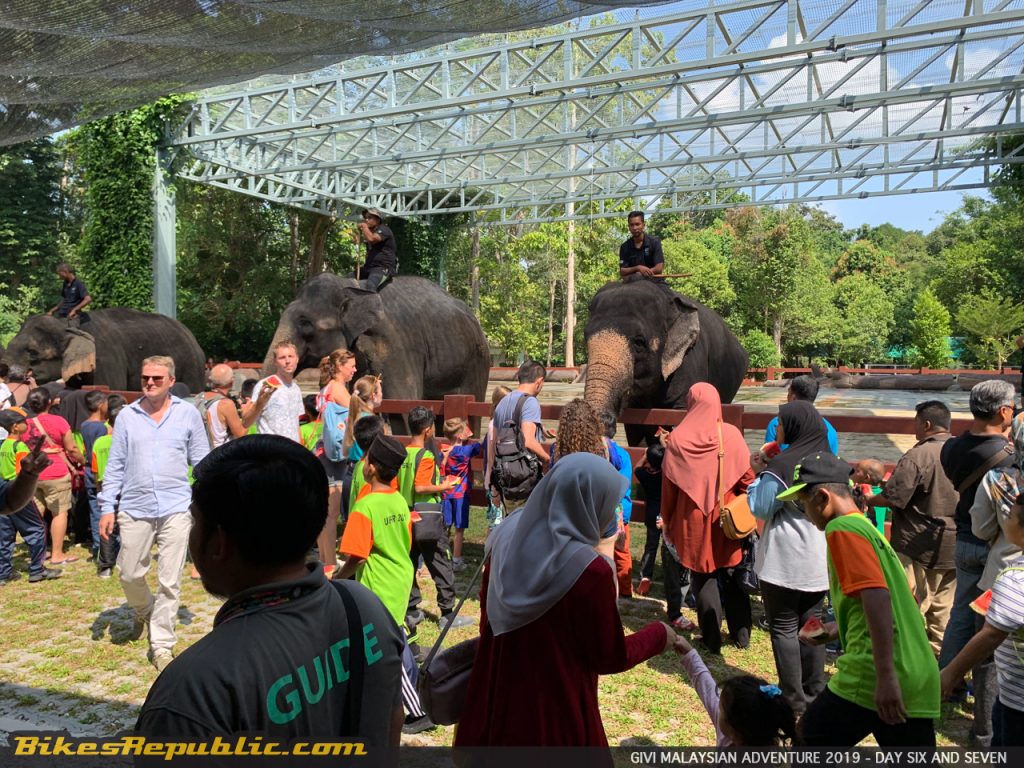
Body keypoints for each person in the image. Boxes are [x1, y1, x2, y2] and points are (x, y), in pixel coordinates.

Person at [136, 435, 405, 743]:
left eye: (195, 521)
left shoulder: (191, 693)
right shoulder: (364, 607)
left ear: (219, 543)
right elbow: (393, 720)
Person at [454, 453, 674, 746]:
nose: (611, 516)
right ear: (587, 504)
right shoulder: (589, 571)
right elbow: (609, 655)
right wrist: (659, 635)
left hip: (496, 695)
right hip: (554, 710)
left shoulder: (506, 536)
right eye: (608, 504)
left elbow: (487, 619)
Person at [787, 452, 939, 747]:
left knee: (808, 743)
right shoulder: (867, 527)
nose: (805, 511)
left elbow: (877, 596)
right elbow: (892, 598)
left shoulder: (841, 529)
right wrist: (833, 629)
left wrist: (885, 677)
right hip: (914, 671)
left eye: (803, 503)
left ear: (822, 498)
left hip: (872, 674)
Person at [98, 356, 210, 671]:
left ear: (171, 381)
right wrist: (107, 506)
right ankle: (144, 611)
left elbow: (202, 461)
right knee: (129, 573)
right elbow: (115, 464)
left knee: (169, 581)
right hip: (135, 506)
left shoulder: (187, 414)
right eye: (145, 377)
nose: (149, 383)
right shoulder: (127, 416)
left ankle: (161, 646)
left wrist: (208, 500)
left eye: (156, 378)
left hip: (176, 506)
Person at [939, 379, 1015, 746]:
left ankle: (946, 685)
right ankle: (985, 724)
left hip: (965, 539)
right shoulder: (1009, 455)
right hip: (1000, 547)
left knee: (959, 614)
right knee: (992, 633)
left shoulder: (951, 447)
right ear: (1004, 411)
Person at [747, 400, 831, 716]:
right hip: (819, 558)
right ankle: (815, 692)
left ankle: (793, 699)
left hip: (783, 561)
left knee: (783, 628)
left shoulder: (782, 466)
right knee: (813, 624)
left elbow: (761, 508)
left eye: (781, 423)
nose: (778, 428)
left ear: (795, 427)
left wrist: (760, 475)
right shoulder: (831, 462)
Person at [662, 383, 755, 653]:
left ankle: (711, 639)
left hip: (692, 520)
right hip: (726, 516)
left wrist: (667, 520)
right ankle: (741, 635)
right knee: (733, 573)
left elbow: (669, 488)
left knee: (703, 577)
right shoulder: (731, 434)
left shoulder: (678, 439)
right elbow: (748, 480)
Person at [867, 401, 957, 657]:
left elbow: (893, 497)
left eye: (916, 423)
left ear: (926, 424)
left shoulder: (918, 456)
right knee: (944, 611)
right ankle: (942, 665)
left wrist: (868, 499)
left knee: (909, 607)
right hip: (954, 543)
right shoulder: (963, 451)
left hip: (916, 545)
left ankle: (910, 662)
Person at [941, 495, 1024, 746]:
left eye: (1009, 515)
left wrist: (949, 674)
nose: (1005, 519)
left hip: (1017, 700)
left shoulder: (1014, 578)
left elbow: (990, 635)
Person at [400, 407, 467, 635]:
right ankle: (447, 614)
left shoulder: (404, 453)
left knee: (409, 563)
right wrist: (444, 485)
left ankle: (411, 609)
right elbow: (420, 486)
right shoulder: (426, 456)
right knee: (440, 561)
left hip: (407, 516)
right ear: (428, 430)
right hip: (427, 517)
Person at [673, 634, 796, 746]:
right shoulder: (739, 727)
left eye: (721, 710)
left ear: (734, 733)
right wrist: (690, 654)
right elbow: (708, 688)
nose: (717, 708)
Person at [23, 387, 83, 566]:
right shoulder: (59, 421)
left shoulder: (24, 424)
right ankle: (57, 553)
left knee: (35, 514)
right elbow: (71, 448)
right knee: (59, 512)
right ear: (49, 403)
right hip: (56, 471)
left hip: (33, 473)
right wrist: (82, 460)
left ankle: (38, 553)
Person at [0, 409, 59, 584]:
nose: (27, 424)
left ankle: (3, 573)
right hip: (18, 493)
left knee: (5, 535)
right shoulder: (20, 447)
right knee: (38, 528)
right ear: (15, 427)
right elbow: (23, 472)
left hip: (3, 491)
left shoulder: (2, 445)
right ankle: (37, 569)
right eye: (23, 422)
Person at [487, 360, 549, 512]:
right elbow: (528, 441)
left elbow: (493, 445)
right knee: (530, 521)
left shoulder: (502, 403)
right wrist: (549, 459)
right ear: (539, 382)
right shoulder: (530, 402)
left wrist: (494, 484)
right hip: (526, 479)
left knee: (512, 520)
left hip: (506, 479)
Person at [316, 349, 357, 573]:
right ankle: (330, 562)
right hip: (335, 455)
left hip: (324, 451)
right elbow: (360, 414)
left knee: (326, 513)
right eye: (351, 366)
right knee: (332, 512)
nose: (354, 370)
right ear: (340, 366)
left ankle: (325, 559)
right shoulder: (339, 389)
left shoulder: (327, 387)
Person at [599, 409, 635, 599]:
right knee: (622, 550)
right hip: (622, 509)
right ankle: (625, 589)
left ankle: (619, 588)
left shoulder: (601, 452)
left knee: (607, 549)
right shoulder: (623, 454)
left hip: (610, 510)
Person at [440, 417, 482, 572]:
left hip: (446, 493)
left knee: (445, 527)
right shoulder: (466, 451)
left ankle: (443, 557)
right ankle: (456, 559)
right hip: (460, 494)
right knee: (459, 529)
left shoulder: (443, 451)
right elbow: (480, 446)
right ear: (460, 435)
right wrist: (469, 438)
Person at [90, 396, 123, 578]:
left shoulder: (99, 442)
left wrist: (98, 488)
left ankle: (105, 566)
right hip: (126, 486)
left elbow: (95, 469)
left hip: (104, 486)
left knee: (107, 526)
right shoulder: (127, 442)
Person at [763, 375, 839, 454]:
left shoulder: (777, 424)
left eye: (788, 393)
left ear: (793, 398)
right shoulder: (830, 430)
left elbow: (767, 457)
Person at [198, 363, 268, 449]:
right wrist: (248, 413)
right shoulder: (225, 404)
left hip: (202, 450)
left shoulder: (200, 397)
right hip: (219, 452)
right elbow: (241, 435)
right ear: (232, 381)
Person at [79, 391, 110, 570]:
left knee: (94, 510)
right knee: (107, 510)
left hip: (89, 470)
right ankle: (107, 547)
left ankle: (97, 546)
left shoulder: (84, 425)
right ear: (100, 405)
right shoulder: (102, 428)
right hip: (102, 472)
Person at [251, 341, 304, 442]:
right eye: (282, 358)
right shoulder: (265, 385)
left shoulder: (296, 389)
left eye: (290, 356)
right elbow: (248, 420)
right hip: (271, 447)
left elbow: (296, 424)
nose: (287, 361)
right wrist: (258, 404)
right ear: (275, 362)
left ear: (297, 359)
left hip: (292, 448)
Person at [357, 208, 397, 292]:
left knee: (370, 286)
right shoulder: (370, 232)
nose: (366, 220)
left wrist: (364, 227)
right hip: (368, 268)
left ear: (378, 219)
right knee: (347, 279)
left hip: (382, 268)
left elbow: (372, 239)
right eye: (365, 218)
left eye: (369, 218)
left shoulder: (384, 229)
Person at [618, 211, 664, 282]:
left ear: (643, 225)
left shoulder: (654, 242)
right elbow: (622, 271)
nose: (634, 228)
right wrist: (638, 268)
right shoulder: (624, 247)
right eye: (631, 225)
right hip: (632, 282)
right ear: (629, 227)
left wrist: (643, 274)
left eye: (637, 224)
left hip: (655, 281)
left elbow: (659, 268)